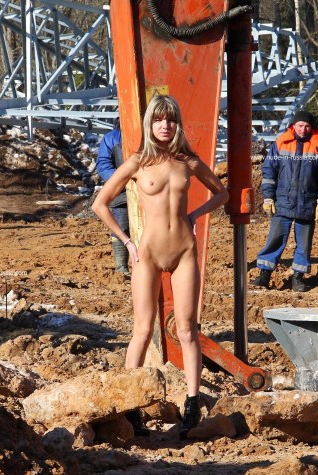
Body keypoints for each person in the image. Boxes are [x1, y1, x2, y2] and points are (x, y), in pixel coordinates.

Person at [91, 94, 228, 439]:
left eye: (170, 119)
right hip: (148, 254)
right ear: (149, 124)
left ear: (177, 123)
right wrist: (127, 241)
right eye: (158, 119)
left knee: (187, 330)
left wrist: (195, 215)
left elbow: (222, 193)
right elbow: (100, 204)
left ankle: (192, 406)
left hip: (184, 253)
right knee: (141, 330)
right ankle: (130, 409)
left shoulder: (188, 162)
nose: (165, 125)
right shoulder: (137, 162)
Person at [250, 110, 318, 292]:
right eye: (300, 125)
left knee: (304, 244)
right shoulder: (281, 143)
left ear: (312, 127)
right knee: (275, 240)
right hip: (283, 201)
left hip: (307, 203)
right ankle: (264, 276)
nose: (303, 129)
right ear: (293, 126)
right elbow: (269, 172)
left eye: (307, 126)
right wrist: (268, 197)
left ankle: (298, 278)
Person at [96, 118, 131, 275]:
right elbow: (103, 165)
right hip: (121, 193)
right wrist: (121, 179)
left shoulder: (149, 135)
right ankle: (122, 267)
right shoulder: (112, 138)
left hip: (147, 191)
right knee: (121, 227)